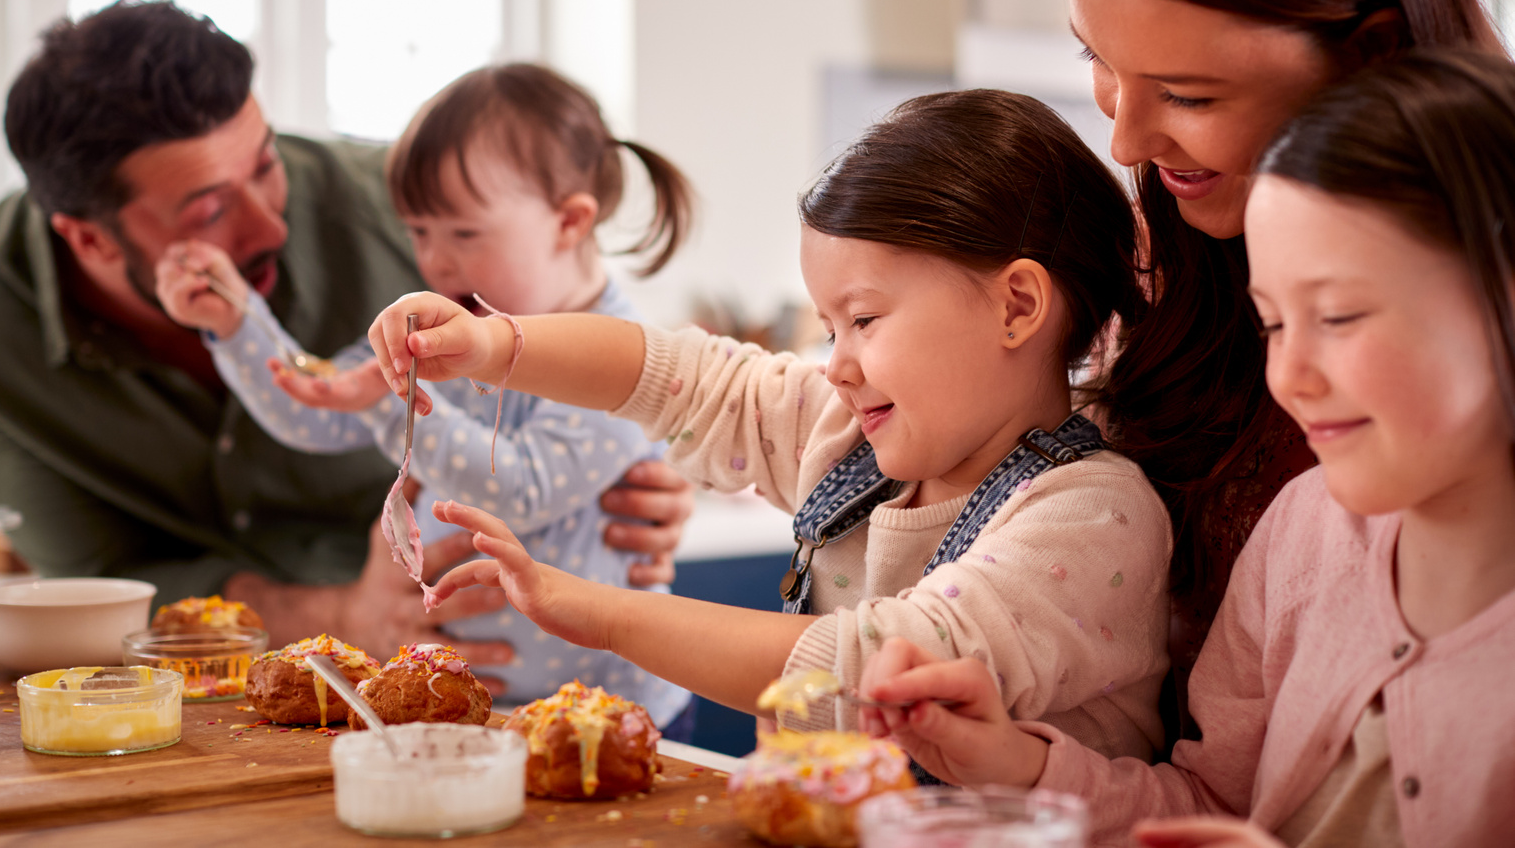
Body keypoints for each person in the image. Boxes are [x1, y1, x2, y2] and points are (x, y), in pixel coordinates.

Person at [369, 89, 1175, 764]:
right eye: (830, 329)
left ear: (1017, 305)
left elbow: (868, 669)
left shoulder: (1092, 515)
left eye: (863, 319)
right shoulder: (850, 433)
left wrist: (596, 610)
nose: (837, 363)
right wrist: (490, 342)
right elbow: (678, 375)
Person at [0, 0, 693, 668]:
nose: (271, 220)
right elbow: (103, 579)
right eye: (209, 208)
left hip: (592, 691)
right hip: (282, 679)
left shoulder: (419, 205)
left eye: (268, 165)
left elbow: (563, 429)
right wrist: (246, 331)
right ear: (92, 240)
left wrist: (655, 447)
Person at [857, 51, 1515, 848]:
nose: (1291, 375)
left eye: (1339, 317)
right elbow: (1211, 800)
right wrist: (1013, 761)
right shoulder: (1301, 535)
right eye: (1272, 324)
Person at [1059, 0, 1505, 710]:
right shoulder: (1157, 248)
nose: (1126, 137)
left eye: (1189, 93)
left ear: (1370, 54)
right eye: (1096, 59)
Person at [153, 63, 698, 735]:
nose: (436, 261)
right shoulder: (450, 327)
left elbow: (519, 491)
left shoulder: (622, 354)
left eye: (464, 233)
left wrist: (391, 400)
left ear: (569, 220)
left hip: (609, 712)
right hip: (469, 709)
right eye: (419, 231)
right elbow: (312, 406)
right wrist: (236, 324)